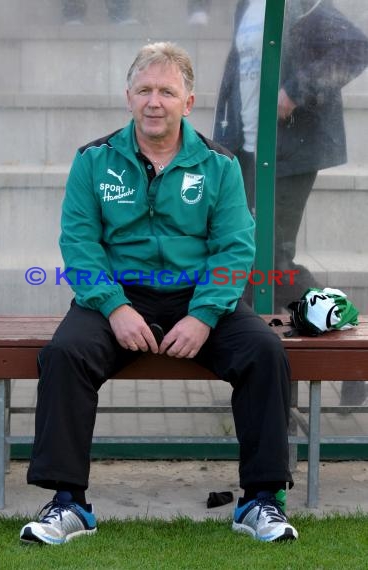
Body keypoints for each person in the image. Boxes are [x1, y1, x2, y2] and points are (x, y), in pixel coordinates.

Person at [19, 41, 298, 545]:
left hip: (200, 299)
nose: (154, 101)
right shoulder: (93, 160)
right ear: (128, 97)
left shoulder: (220, 165)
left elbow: (235, 249)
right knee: (64, 354)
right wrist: (114, 306)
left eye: (167, 91)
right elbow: (80, 245)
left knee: (264, 352)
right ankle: (68, 504)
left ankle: (261, 501)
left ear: (187, 103)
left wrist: (204, 315)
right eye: (144, 89)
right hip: (117, 299)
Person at [213, 0, 368, 312]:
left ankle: (335, 316)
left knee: (272, 258)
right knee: (248, 251)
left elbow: (356, 48)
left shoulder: (299, 2)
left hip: (287, 151)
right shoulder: (246, 6)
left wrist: (296, 90)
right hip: (246, 150)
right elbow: (239, 76)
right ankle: (254, 328)